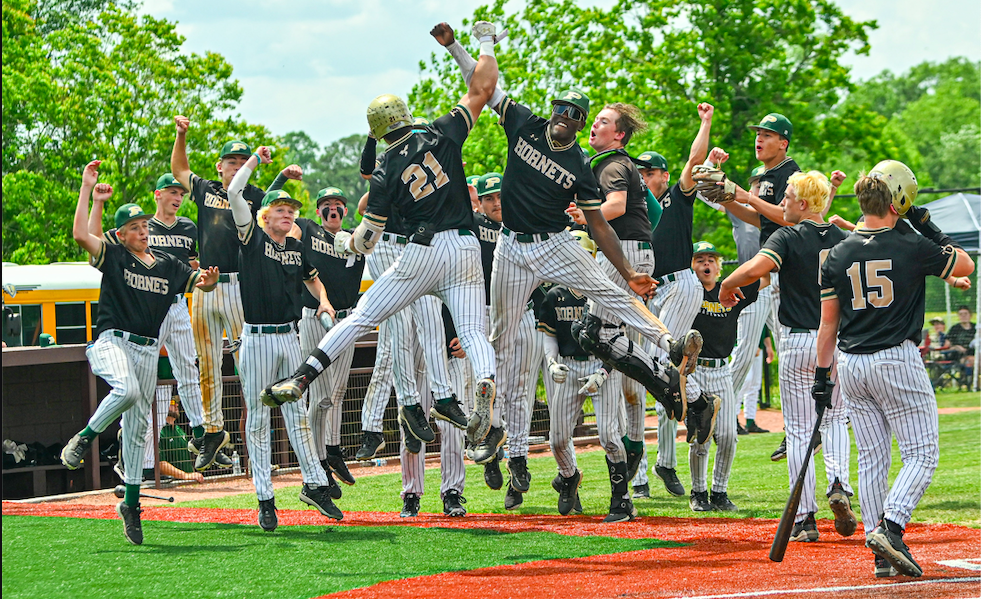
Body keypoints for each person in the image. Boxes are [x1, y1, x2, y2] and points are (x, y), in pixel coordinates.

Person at [437, 29, 702, 471]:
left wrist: (628, 270)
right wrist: (454, 47)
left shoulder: (581, 165)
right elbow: (483, 85)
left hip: (556, 244)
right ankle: (490, 432)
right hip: (512, 247)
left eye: (576, 114)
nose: (566, 115)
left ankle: (670, 343)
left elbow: (598, 224)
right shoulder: (525, 122)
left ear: (580, 125)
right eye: (562, 107)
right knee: (501, 341)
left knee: (609, 290)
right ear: (553, 108)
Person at [262, 22, 500, 459]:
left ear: (377, 129)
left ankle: (302, 377)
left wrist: (348, 246)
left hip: (422, 252)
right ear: (406, 115)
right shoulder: (441, 130)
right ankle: (485, 380)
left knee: (361, 318)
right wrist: (483, 43)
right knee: (470, 330)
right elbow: (483, 87)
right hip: (466, 245)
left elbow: (369, 237)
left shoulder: (386, 169)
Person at [814, 164, 974, 577]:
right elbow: (965, 266)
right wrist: (929, 224)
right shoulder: (910, 243)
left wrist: (820, 375)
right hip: (896, 360)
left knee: (871, 459)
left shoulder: (838, 253)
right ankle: (891, 527)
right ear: (898, 201)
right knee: (922, 453)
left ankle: (879, 551)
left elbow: (828, 324)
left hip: (850, 365)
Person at [61, 160, 219, 545]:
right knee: (128, 392)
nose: (143, 231)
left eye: (145, 225)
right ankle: (83, 438)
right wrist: (89, 190)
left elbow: (199, 283)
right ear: (121, 234)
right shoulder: (114, 256)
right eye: (134, 227)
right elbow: (82, 233)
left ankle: (130, 504)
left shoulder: (165, 263)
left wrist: (209, 282)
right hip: (112, 341)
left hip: (148, 349)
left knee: (136, 432)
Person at [720, 170, 856, 542]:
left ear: (804, 202)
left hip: (796, 341)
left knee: (798, 431)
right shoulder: (843, 238)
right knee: (835, 421)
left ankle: (806, 519)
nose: (783, 202)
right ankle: (839, 485)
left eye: (788, 196)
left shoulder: (787, 235)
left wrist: (728, 284)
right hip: (837, 341)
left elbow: (755, 268)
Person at [170, 116, 301, 472]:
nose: (236, 167)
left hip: (239, 286)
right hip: (204, 285)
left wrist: (283, 177)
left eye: (242, 162)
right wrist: (181, 135)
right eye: (232, 161)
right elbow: (179, 168)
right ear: (220, 165)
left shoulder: (253, 196)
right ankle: (213, 432)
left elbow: (275, 209)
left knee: (248, 367)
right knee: (207, 365)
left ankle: (254, 443)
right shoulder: (208, 189)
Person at [227, 146, 344, 531]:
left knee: (297, 413)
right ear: (264, 215)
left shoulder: (296, 246)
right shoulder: (251, 237)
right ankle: (265, 498)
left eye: (291, 210)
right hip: (258, 339)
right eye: (280, 208)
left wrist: (324, 300)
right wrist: (257, 161)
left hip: (289, 336)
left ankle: (314, 484)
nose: (287, 213)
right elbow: (233, 192)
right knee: (259, 419)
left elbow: (312, 278)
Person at [86, 173, 227, 472]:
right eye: (172, 192)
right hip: (146, 308)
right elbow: (95, 242)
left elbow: (192, 268)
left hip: (175, 301)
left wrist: (207, 279)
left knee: (188, 367)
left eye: (181, 193)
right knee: (140, 387)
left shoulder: (188, 226)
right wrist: (95, 200)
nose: (178, 197)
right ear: (157, 194)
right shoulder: (131, 232)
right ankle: (129, 451)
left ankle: (201, 435)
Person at [629, 103, 717, 499]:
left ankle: (695, 414)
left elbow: (695, 159)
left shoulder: (674, 199)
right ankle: (668, 450)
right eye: (639, 172)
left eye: (649, 172)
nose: (644, 177)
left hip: (680, 283)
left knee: (665, 363)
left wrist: (705, 123)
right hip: (651, 290)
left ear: (663, 175)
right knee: (653, 370)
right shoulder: (633, 207)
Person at [539, 280, 635, 520]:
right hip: (569, 366)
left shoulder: (605, 295)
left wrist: (603, 372)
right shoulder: (555, 295)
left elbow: (619, 340)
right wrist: (551, 363)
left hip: (603, 364)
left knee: (609, 436)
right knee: (557, 438)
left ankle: (621, 501)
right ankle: (569, 477)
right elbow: (549, 335)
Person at [294, 187, 367, 498]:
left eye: (338, 205)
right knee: (320, 394)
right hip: (315, 317)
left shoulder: (354, 239)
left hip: (347, 319)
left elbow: (374, 216)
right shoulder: (309, 230)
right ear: (317, 210)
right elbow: (280, 223)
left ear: (346, 211)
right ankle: (318, 461)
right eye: (326, 206)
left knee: (337, 391)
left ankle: (332, 449)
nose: (333, 211)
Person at [686, 241, 760, 511]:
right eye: (700, 260)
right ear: (691, 266)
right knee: (701, 437)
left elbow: (759, 276)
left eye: (711, 260)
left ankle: (719, 491)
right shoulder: (688, 293)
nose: (706, 264)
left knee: (728, 435)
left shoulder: (729, 291)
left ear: (719, 267)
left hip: (721, 371)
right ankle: (698, 492)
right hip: (694, 372)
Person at [946, 306, 976, 380]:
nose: (963, 316)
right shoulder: (954, 329)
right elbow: (947, 346)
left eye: (965, 314)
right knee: (972, 360)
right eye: (961, 314)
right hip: (960, 356)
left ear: (970, 315)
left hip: (975, 353)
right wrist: (957, 347)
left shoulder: (976, 328)